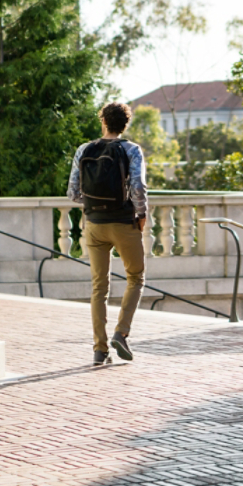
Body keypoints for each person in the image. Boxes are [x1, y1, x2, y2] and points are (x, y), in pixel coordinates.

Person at [67, 102, 148, 366]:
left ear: (103, 121)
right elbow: (138, 186)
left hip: (94, 224)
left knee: (99, 288)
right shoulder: (131, 150)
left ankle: (99, 350)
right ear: (125, 124)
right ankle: (121, 333)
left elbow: (73, 193)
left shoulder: (84, 149)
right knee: (135, 278)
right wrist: (141, 214)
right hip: (124, 222)